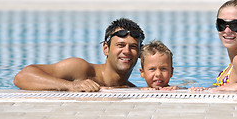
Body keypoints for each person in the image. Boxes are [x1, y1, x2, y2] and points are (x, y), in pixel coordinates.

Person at [14, 18, 145, 92]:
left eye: (133, 47)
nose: (127, 51)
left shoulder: (129, 89)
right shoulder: (81, 69)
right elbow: (22, 76)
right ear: (106, 48)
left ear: (140, 53)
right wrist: (71, 86)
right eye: (120, 45)